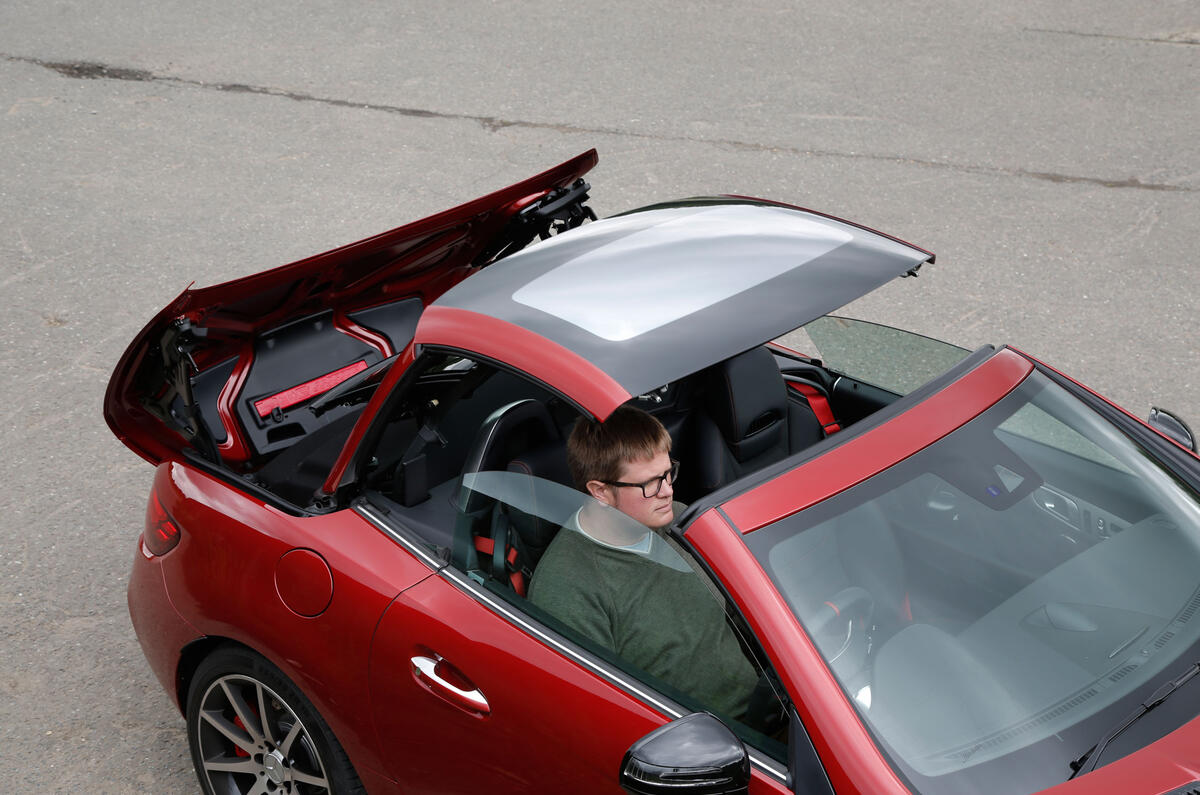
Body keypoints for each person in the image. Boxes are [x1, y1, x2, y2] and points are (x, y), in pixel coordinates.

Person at [527, 406, 759, 719]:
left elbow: (740, 608)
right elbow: (601, 713)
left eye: (668, 473)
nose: (668, 490)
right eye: (650, 483)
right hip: (703, 747)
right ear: (601, 492)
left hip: (764, 706)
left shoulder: (678, 517)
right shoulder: (568, 590)